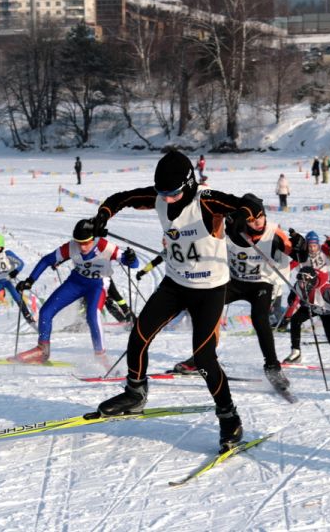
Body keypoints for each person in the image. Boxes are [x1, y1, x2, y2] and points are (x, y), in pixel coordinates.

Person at [86, 150, 244, 451]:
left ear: (188, 184)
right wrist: (102, 217)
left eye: (172, 193)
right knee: (140, 335)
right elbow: (121, 198)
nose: (166, 199)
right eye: (162, 193)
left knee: (204, 358)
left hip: (210, 289)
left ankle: (229, 416)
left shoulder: (206, 200)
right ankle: (135, 393)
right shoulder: (160, 198)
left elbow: (245, 206)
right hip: (175, 283)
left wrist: (241, 219)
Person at [177, 194, 294, 391]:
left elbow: (295, 252)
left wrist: (301, 250)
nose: (257, 223)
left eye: (260, 218)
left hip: (261, 284)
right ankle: (203, 357)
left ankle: (273, 367)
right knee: (207, 307)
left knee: (260, 318)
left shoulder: (274, 232)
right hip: (234, 282)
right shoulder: (232, 229)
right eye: (251, 220)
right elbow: (204, 241)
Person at [15, 220, 138, 362]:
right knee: (45, 312)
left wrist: (131, 258)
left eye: (86, 242)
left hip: (97, 285)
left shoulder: (105, 246)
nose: (82, 247)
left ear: (93, 238)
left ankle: (101, 357)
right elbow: (46, 260)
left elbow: (133, 264)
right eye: (79, 242)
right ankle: (43, 350)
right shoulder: (71, 247)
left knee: (92, 316)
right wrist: (30, 281)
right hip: (76, 282)